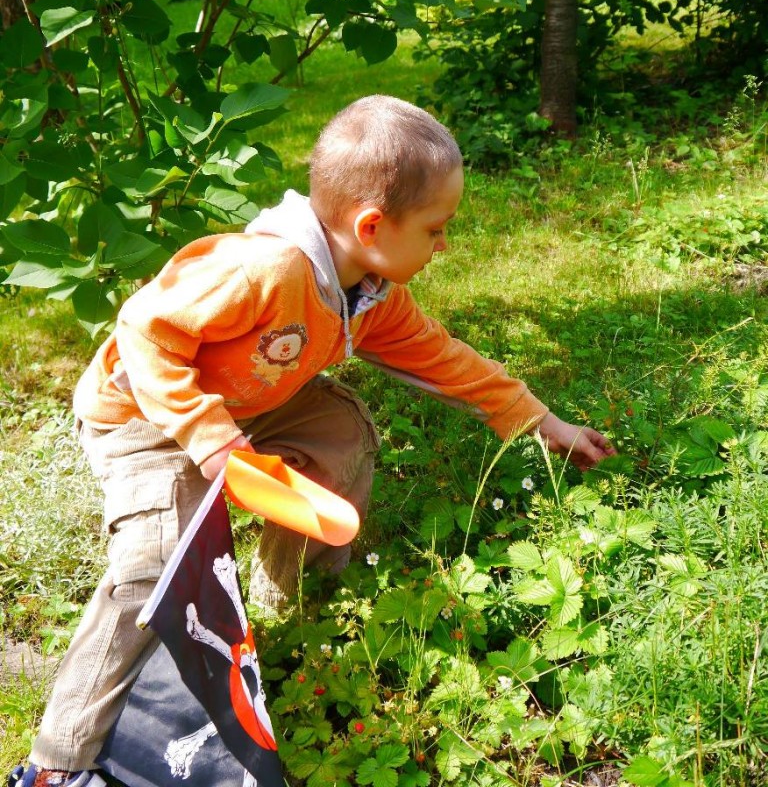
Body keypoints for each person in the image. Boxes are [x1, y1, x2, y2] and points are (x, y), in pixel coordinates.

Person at [10, 95, 614, 787]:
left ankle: (287, 609)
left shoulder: (369, 290)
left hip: (248, 405)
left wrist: (545, 423)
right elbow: (146, 330)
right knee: (153, 566)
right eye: (437, 228)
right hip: (145, 418)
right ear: (371, 224)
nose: (445, 244)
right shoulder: (267, 270)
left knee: (341, 430)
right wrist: (210, 442)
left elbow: (445, 359)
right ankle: (60, 762)